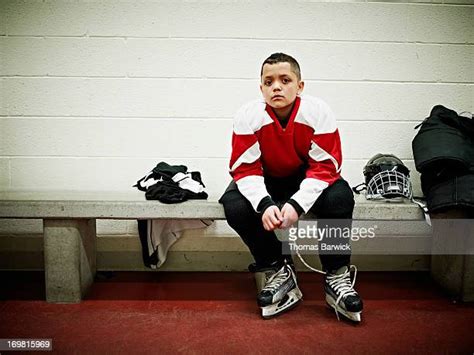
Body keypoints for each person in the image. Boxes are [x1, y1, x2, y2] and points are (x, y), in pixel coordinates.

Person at [219, 52, 363, 322]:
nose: (276, 86)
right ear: (261, 87)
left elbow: (326, 167)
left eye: (285, 80)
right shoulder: (247, 115)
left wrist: (297, 204)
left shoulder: (318, 111)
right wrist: (264, 204)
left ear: (300, 86)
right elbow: (245, 169)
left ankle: (336, 274)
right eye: (269, 81)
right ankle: (277, 267)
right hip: (266, 180)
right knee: (234, 205)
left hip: (307, 176)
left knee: (340, 197)